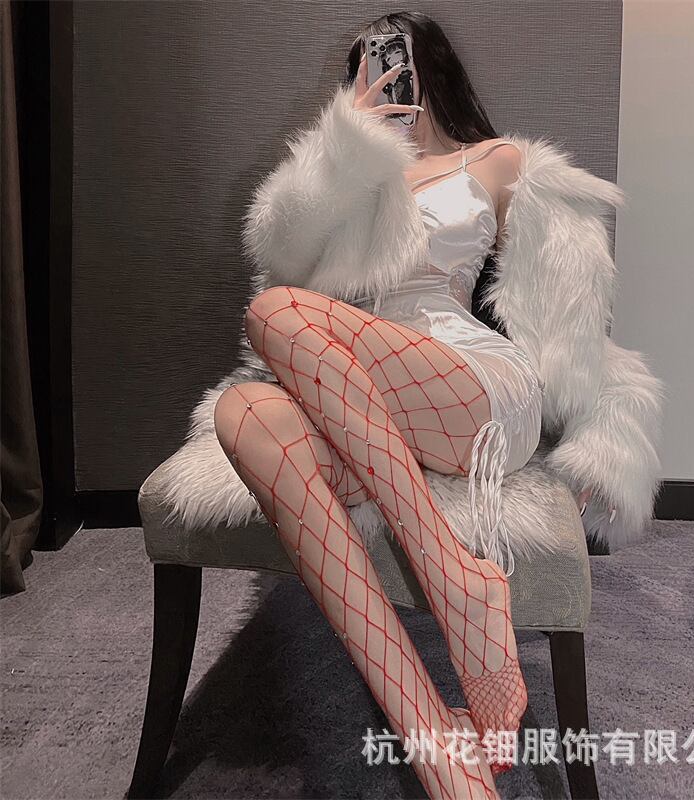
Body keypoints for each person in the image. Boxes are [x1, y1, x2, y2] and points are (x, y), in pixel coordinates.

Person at [207, 11, 663, 799]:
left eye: (399, 64)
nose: (387, 80)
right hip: (358, 394)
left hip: (472, 386)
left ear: (435, 72)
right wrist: (343, 149)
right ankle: (431, 737)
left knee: (277, 314)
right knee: (243, 415)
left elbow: (574, 315)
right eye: (368, 68)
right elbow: (281, 253)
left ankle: (453, 580)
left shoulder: (500, 160)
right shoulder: (348, 180)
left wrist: (603, 428)